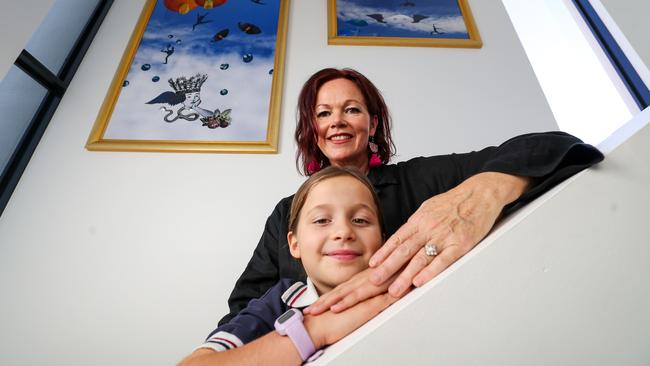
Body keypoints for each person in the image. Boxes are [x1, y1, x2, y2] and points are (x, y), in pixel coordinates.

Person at [222, 68, 604, 323]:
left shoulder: (420, 179)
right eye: (323, 114)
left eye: (351, 109)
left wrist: (481, 193)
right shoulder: (286, 213)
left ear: (372, 124)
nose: (336, 120)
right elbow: (242, 313)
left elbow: (553, 145)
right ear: (313, 130)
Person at [179, 166, 399, 365]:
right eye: (322, 220)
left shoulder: (404, 286)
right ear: (295, 244)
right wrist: (315, 329)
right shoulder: (279, 302)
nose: (343, 232)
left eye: (360, 220)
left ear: (383, 239)